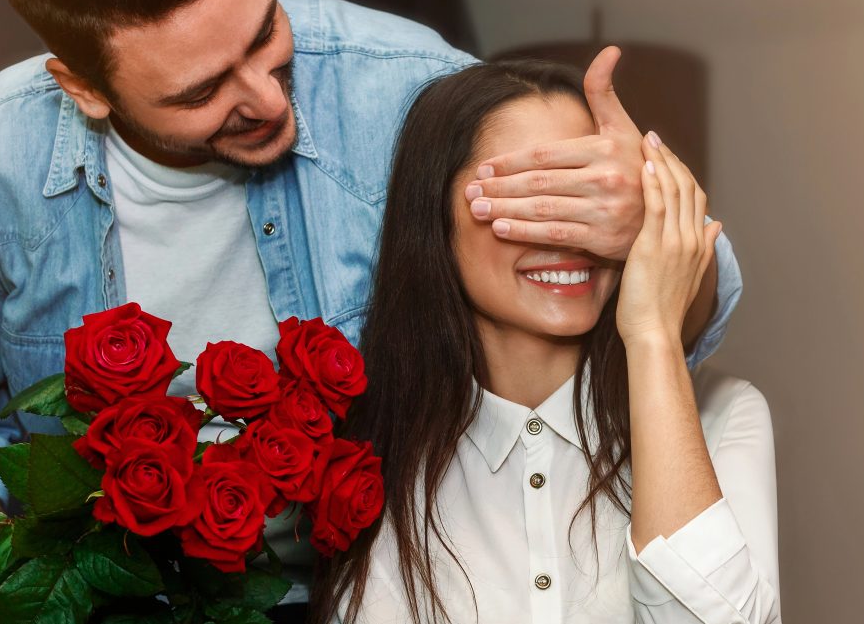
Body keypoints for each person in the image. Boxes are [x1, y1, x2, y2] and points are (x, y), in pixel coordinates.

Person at [0, 0, 742, 618]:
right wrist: (9, 566)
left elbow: (697, 291)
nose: (268, 97)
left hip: (380, 591)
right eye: (202, 90)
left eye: (264, 31)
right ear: (81, 87)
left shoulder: (396, 83)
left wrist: (636, 223)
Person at [310, 60, 779, 623]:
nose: (567, 233)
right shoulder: (371, 455)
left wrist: (653, 333)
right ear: (434, 216)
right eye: (530, 196)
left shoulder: (725, 417)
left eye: (593, 198)